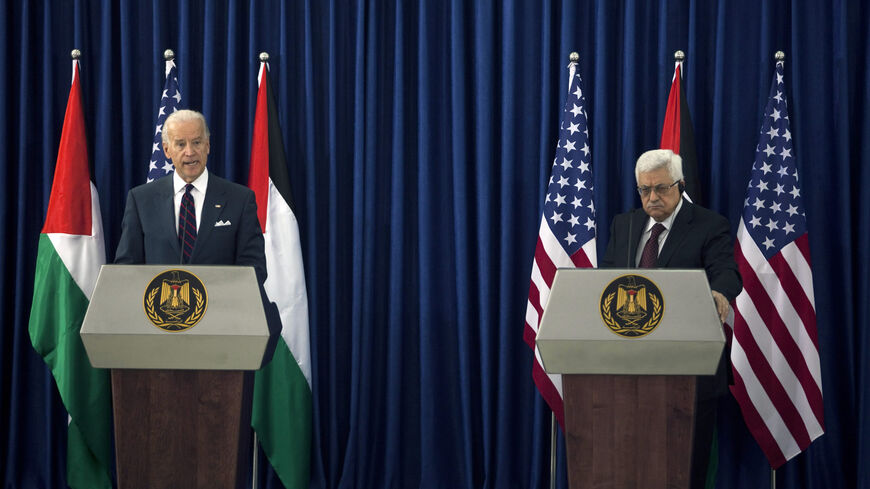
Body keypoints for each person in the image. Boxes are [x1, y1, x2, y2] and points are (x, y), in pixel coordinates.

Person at [601, 148, 742, 489]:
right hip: (628, 369)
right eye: (645, 190)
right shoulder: (626, 224)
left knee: (686, 469)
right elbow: (605, 282)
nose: (652, 197)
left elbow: (727, 272)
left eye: (661, 188)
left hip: (689, 370)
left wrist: (719, 293)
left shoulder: (709, 225)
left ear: (680, 185)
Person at [115, 109, 266, 282]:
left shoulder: (240, 199)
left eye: (196, 142)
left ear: (207, 145)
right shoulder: (141, 200)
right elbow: (126, 269)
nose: (190, 151)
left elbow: (255, 269)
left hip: (221, 307)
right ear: (166, 150)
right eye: (180, 144)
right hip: (161, 305)